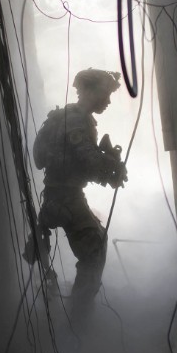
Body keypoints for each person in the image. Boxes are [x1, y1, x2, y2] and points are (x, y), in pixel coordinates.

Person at [26, 68, 128, 310]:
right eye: (105, 93)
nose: (108, 100)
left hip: (63, 196)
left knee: (96, 242)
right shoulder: (74, 119)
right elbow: (88, 160)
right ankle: (78, 318)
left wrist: (109, 170)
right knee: (94, 250)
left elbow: (80, 164)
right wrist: (112, 164)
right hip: (64, 199)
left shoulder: (76, 118)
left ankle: (75, 311)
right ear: (89, 91)